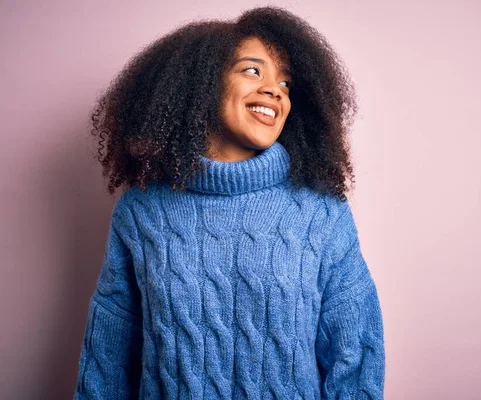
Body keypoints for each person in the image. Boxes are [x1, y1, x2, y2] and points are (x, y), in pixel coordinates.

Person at [74, 6, 385, 399]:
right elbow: (109, 356)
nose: (275, 90)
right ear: (202, 84)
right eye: (252, 71)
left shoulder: (321, 212)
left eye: (286, 83)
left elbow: (354, 356)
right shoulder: (142, 211)